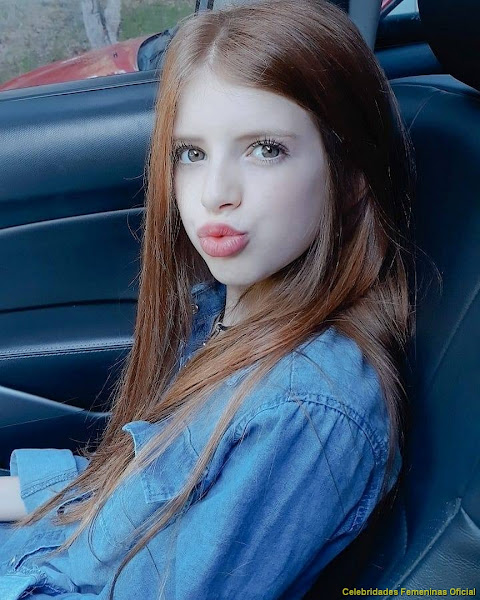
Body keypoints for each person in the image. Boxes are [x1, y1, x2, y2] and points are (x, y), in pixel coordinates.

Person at [0, 0, 416, 598]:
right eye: (191, 153)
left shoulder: (304, 411)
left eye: (265, 148)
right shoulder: (223, 311)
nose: (215, 192)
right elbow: (143, 485)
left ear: (350, 176)